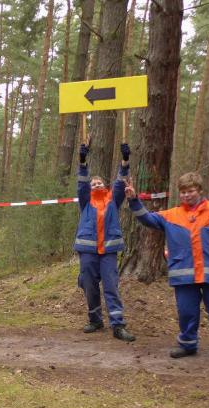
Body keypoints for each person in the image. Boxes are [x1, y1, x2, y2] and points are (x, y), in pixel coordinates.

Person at [125, 172, 209, 371]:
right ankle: (187, 344)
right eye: (183, 192)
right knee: (186, 312)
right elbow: (147, 219)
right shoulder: (172, 215)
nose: (186, 195)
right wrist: (134, 200)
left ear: (200, 190)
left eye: (191, 191)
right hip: (184, 275)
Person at [74, 140, 136, 342]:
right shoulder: (85, 200)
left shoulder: (113, 200)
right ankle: (95, 320)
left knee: (111, 287)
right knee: (89, 286)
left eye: (99, 183)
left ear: (105, 186)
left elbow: (120, 181)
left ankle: (118, 325)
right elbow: (82, 183)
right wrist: (83, 160)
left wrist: (125, 160)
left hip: (108, 252)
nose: (96, 185)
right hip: (88, 251)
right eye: (93, 184)